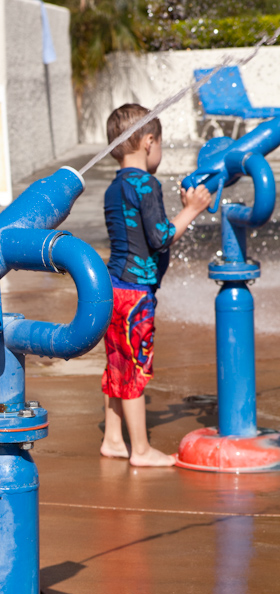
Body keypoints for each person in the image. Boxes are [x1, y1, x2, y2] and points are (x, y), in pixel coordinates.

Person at [100, 103, 212, 466]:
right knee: (134, 364)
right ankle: (141, 451)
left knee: (118, 360)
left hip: (112, 288)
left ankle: (114, 440)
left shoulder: (114, 188)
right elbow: (161, 236)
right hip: (135, 294)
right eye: (160, 144)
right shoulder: (145, 183)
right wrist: (192, 210)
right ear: (149, 142)